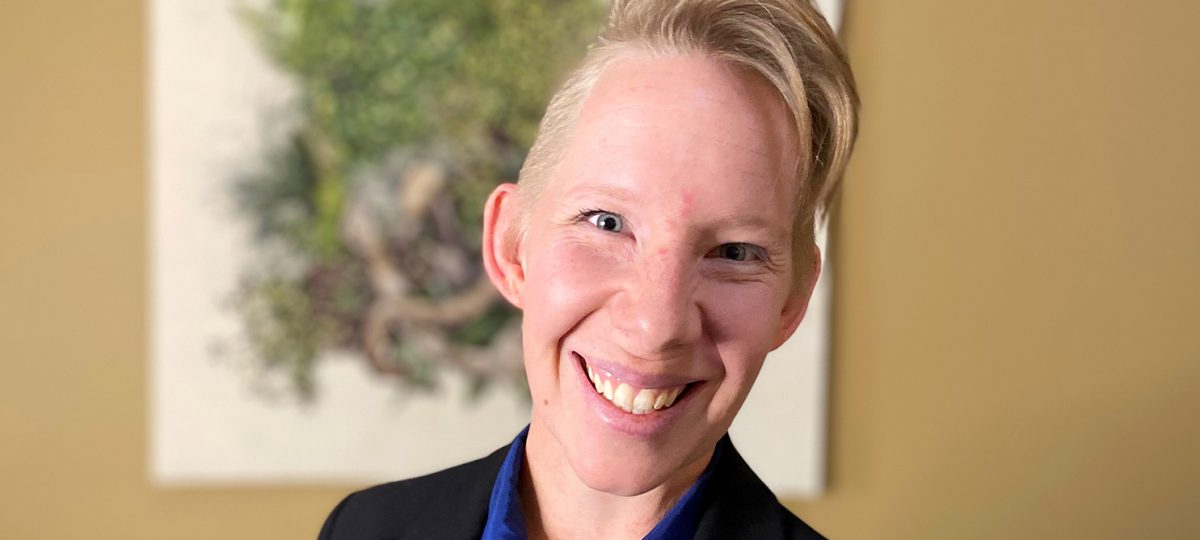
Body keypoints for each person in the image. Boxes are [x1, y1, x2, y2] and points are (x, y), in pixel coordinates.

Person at [318, 0, 857, 538]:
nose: (656, 328)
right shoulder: (363, 528)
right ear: (510, 244)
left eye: (735, 252)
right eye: (606, 222)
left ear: (792, 299)